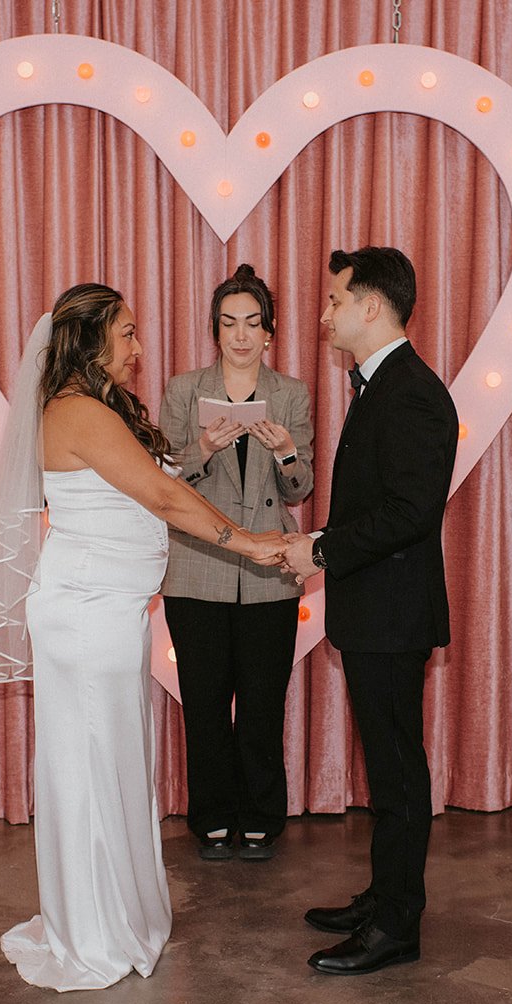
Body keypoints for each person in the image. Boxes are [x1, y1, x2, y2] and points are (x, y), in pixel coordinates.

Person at [0, 283, 287, 992]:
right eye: (128, 335)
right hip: (85, 614)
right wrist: (254, 544)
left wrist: (193, 453)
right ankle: (92, 931)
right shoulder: (76, 411)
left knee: (111, 761)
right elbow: (165, 498)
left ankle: (111, 913)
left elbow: (148, 478)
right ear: (90, 342)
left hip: (107, 612)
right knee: (90, 768)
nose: (139, 349)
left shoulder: (96, 408)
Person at [281, 247, 459, 976]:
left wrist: (318, 551)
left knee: (396, 773)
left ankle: (396, 925)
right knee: (386, 769)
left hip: (391, 614)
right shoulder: (380, 387)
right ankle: (386, 896)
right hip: (375, 611)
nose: (324, 314)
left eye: (334, 300)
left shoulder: (412, 393)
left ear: (372, 307)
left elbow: (410, 513)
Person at [159, 264, 315, 862]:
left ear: (270, 333)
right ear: (213, 331)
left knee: (261, 703)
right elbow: (166, 480)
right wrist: (203, 448)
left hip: (270, 571)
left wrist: (287, 451)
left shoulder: (292, 393)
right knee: (202, 702)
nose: (241, 335)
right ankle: (212, 818)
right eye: (229, 324)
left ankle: (261, 818)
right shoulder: (182, 389)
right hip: (196, 567)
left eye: (253, 323)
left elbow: (299, 489)